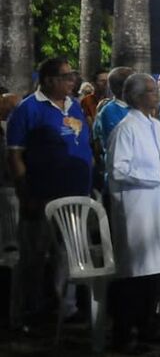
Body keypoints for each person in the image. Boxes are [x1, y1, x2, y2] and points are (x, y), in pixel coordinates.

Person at [6, 57, 93, 325]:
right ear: (48, 80)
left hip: (76, 195)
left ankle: (64, 308)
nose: (72, 80)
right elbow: (15, 156)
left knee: (68, 255)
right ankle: (25, 311)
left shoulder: (74, 107)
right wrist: (25, 194)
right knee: (34, 255)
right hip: (42, 196)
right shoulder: (27, 109)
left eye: (72, 76)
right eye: (66, 76)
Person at [107, 73, 160, 351]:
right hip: (136, 207)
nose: (157, 95)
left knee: (155, 270)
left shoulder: (156, 127)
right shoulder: (125, 129)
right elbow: (119, 169)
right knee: (135, 274)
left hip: (156, 205)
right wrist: (157, 175)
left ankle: (149, 326)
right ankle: (123, 335)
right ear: (136, 97)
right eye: (151, 91)